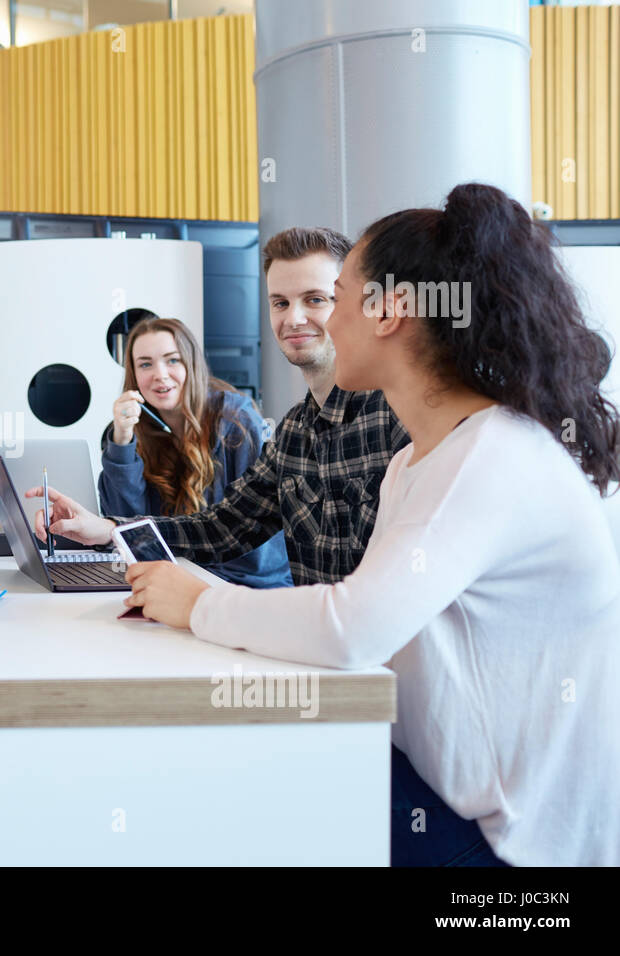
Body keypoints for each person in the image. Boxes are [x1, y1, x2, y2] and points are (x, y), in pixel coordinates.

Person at [118, 183, 620, 866]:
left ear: (391, 312)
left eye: (337, 295)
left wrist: (199, 602)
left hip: (512, 847)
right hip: (439, 780)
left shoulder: (494, 457)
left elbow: (351, 627)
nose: (317, 323)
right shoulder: (416, 460)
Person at [33, 226, 409, 587]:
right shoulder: (296, 430)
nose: (293, 318)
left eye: (315, 299)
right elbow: (222, 527)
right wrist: (107, 529)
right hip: (307, 638)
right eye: (280, 302)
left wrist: (207, 601)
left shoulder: (397, 416)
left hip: (350, 638)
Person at [99, 316, 290, 588]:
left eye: (172, 360)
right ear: (134, 375)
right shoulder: (135, 432)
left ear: (191, 364)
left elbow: (255, 539)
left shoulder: (236, 420)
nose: (160, 374)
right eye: (145, 364)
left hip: (245, 585)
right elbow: (127, 527)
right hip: (179, 576)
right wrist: (121, 440)